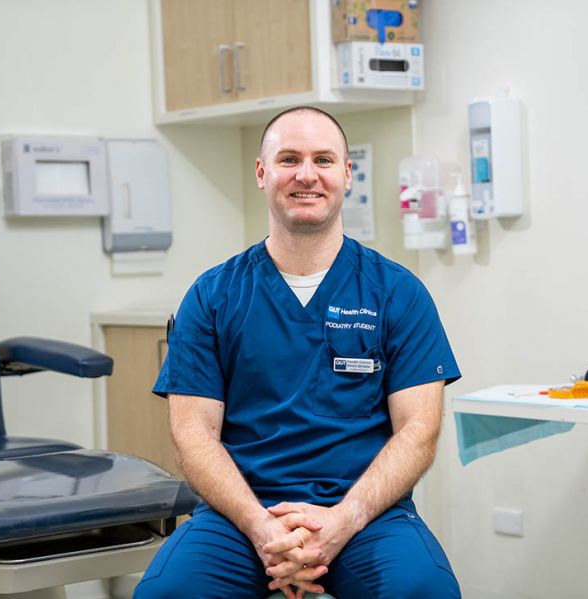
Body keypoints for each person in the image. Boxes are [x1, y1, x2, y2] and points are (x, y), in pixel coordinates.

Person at [134, 106, 461, 599]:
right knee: (167, 594)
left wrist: (343, 520)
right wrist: (260, 527)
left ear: (347, 174)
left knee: (425, 590)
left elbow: (419, 431)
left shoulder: (398, 293)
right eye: (288, 159)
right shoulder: (213, 295)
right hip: (238, 514)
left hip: (367, 513)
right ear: (263, 173)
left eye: (323, 160)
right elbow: (193, 434)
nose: (306, 175)